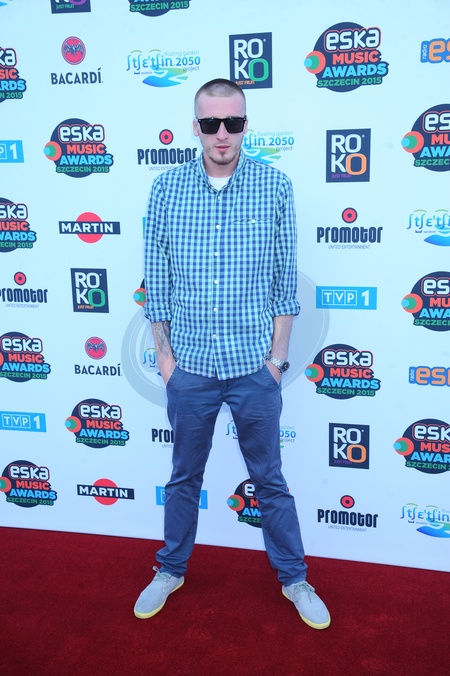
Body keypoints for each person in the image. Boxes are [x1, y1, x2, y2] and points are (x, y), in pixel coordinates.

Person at [135, 78, 330, 630]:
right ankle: (170, 569)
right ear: (196, 127)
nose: (222, 133)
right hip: (190, 367)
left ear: (246, 125)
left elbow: (284, 282)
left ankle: (294, 578)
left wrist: (277, 361)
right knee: (183, 478)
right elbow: (157, 280)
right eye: (211, 123)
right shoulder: (167, 189)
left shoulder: (274, 186)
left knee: (270, 480)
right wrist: (166, 361)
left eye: (234, 122)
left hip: (254, 368)